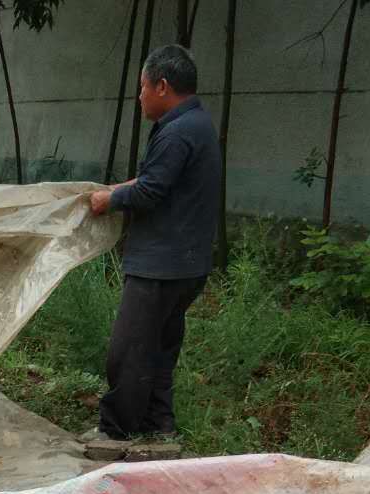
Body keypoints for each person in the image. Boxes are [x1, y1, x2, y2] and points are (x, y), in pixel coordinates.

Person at [88, 44, 221, 445]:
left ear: (162, 86)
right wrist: (120, 188)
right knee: (159, 350)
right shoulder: (196, 124)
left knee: (128, 350)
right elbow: (158, 180)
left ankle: (115, 433)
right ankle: (158, 427)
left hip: (160, 265)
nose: (139, 96)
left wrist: (109, 200)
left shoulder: (178, 132)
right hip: (187, 263)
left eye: (142, 87)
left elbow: (151, 192)